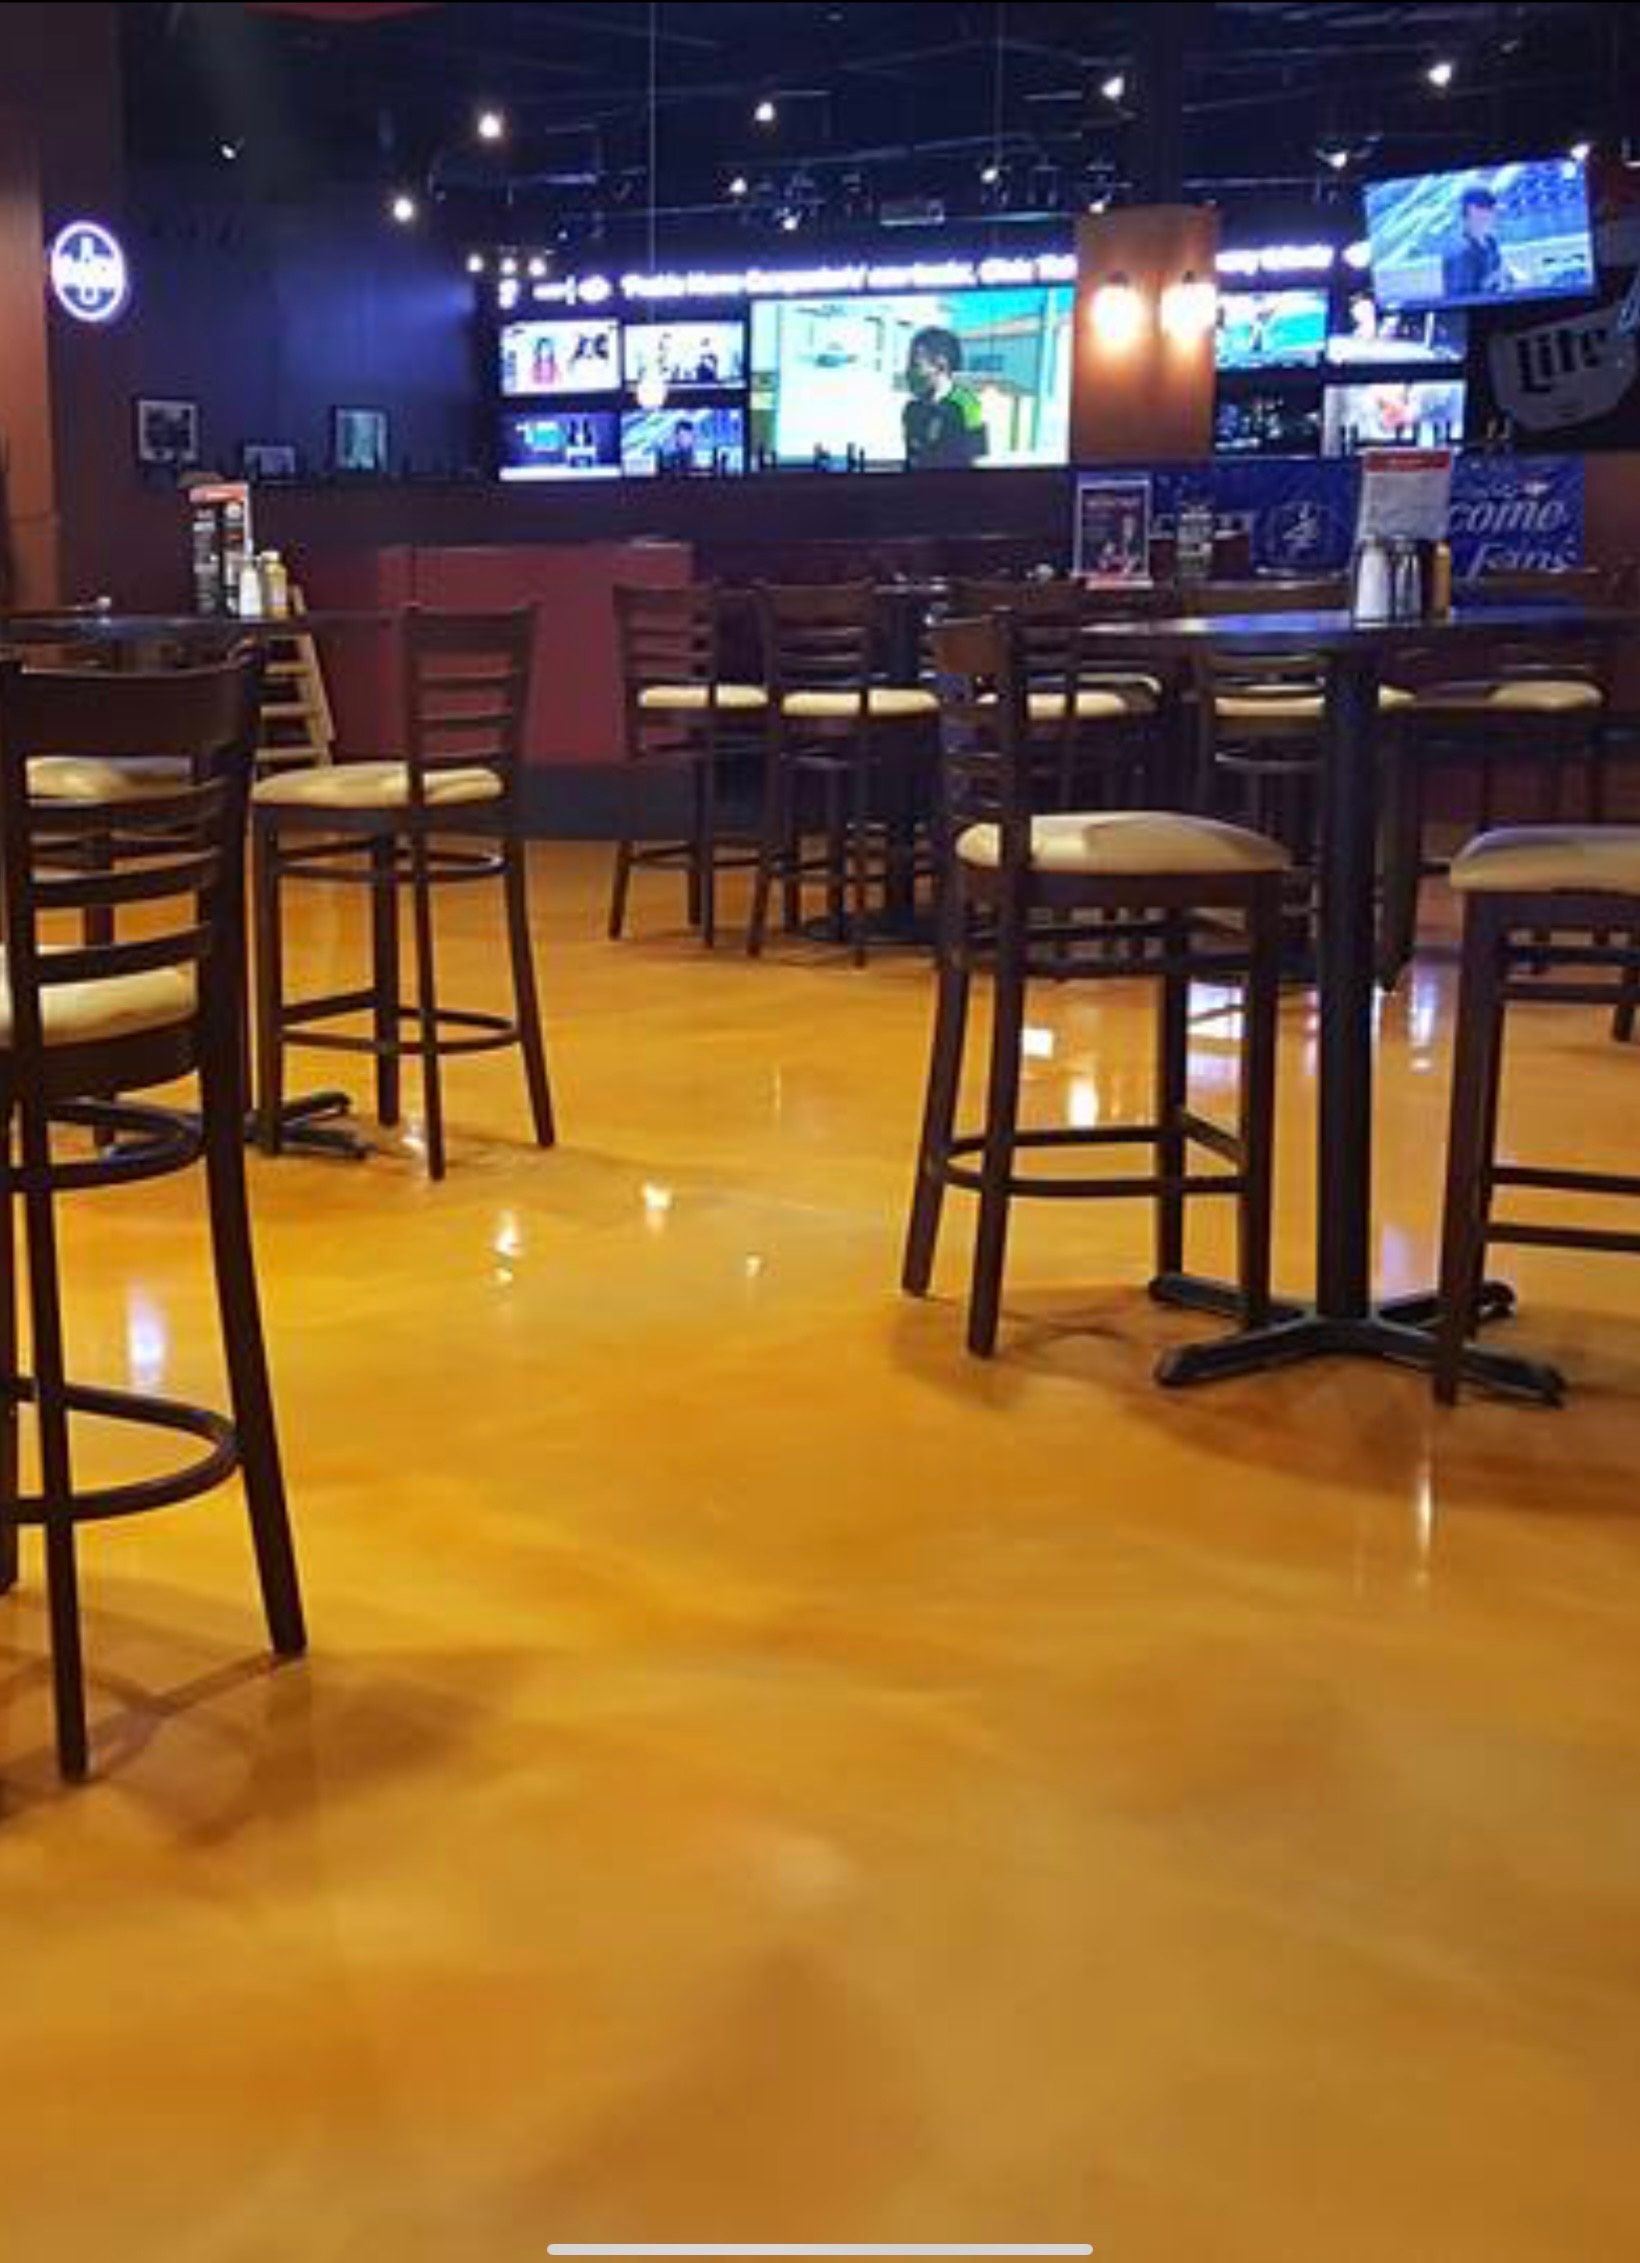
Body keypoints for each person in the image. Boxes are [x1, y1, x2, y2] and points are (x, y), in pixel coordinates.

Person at [902, 326, 988, 468]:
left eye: (915, 365)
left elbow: (976, 461)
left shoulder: (966, 405)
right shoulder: (912, 410)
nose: (908, 372)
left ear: (941, 365)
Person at [1442, 184, 1512, 299]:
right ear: (1473, 210)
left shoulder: (1490, 242)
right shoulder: (1460, 251)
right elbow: (1462, 299)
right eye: (1490, 210)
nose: (1494, 216)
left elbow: (1497, 273)